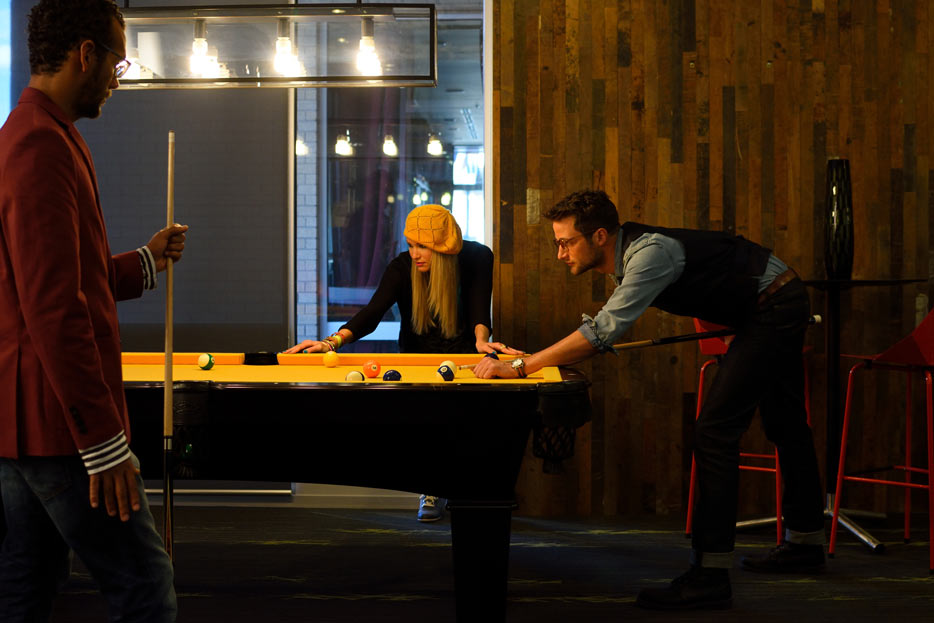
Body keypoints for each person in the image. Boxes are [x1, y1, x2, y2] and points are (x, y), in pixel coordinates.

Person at [473, 190, 826, 610]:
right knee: (785, 423)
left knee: (714, 434)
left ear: (600, 236)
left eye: (566, 243)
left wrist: (521, 366)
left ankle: (710, 576)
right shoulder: (625, 259)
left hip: (774, 304)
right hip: (765, 304)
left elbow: (601, 333)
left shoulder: (649, 255)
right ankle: (805, 543)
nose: (560, 254)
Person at [0, 1, 188, 620]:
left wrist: (147, 261)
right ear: (86, 55)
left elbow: (65, 279)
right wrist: (103, 443)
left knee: (28, 588)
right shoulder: (38, 144)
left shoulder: (39, 135)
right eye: (117, 60)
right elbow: (53, 308)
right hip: (57, 427)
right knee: (145, 586)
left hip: (28, 426)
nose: (117, 76)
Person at [286, 204, 521, 521]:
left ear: (442, 246)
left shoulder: (477, 257)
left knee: (465, 428)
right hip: (416, 358)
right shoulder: (401, 267)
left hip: (465, 359)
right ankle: (432, 488)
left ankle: (466, 488)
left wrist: (482, 341)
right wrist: (332, 341)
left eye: (421, 245)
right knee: (428, 427)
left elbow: (480, 309)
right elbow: (372, 313)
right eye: (410, 245)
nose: (414, 253)